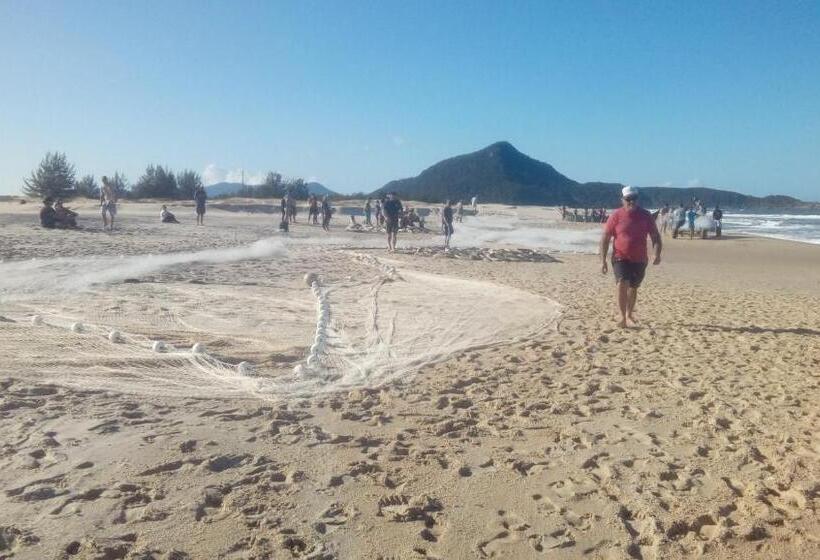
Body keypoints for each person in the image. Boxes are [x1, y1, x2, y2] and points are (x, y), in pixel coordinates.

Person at [600, 186, 662, 328]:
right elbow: (605, 238)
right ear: (622, 200)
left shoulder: (646, 215)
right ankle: (622, 317)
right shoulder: (616, 216)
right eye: (628, 199)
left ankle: (629, 314)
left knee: (633, 287)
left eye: (634, 199)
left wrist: (656, 253)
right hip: (620, 256)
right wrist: (602, 260)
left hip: (639, 258)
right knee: (622, 283)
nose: (632, 202)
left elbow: (655, 236)